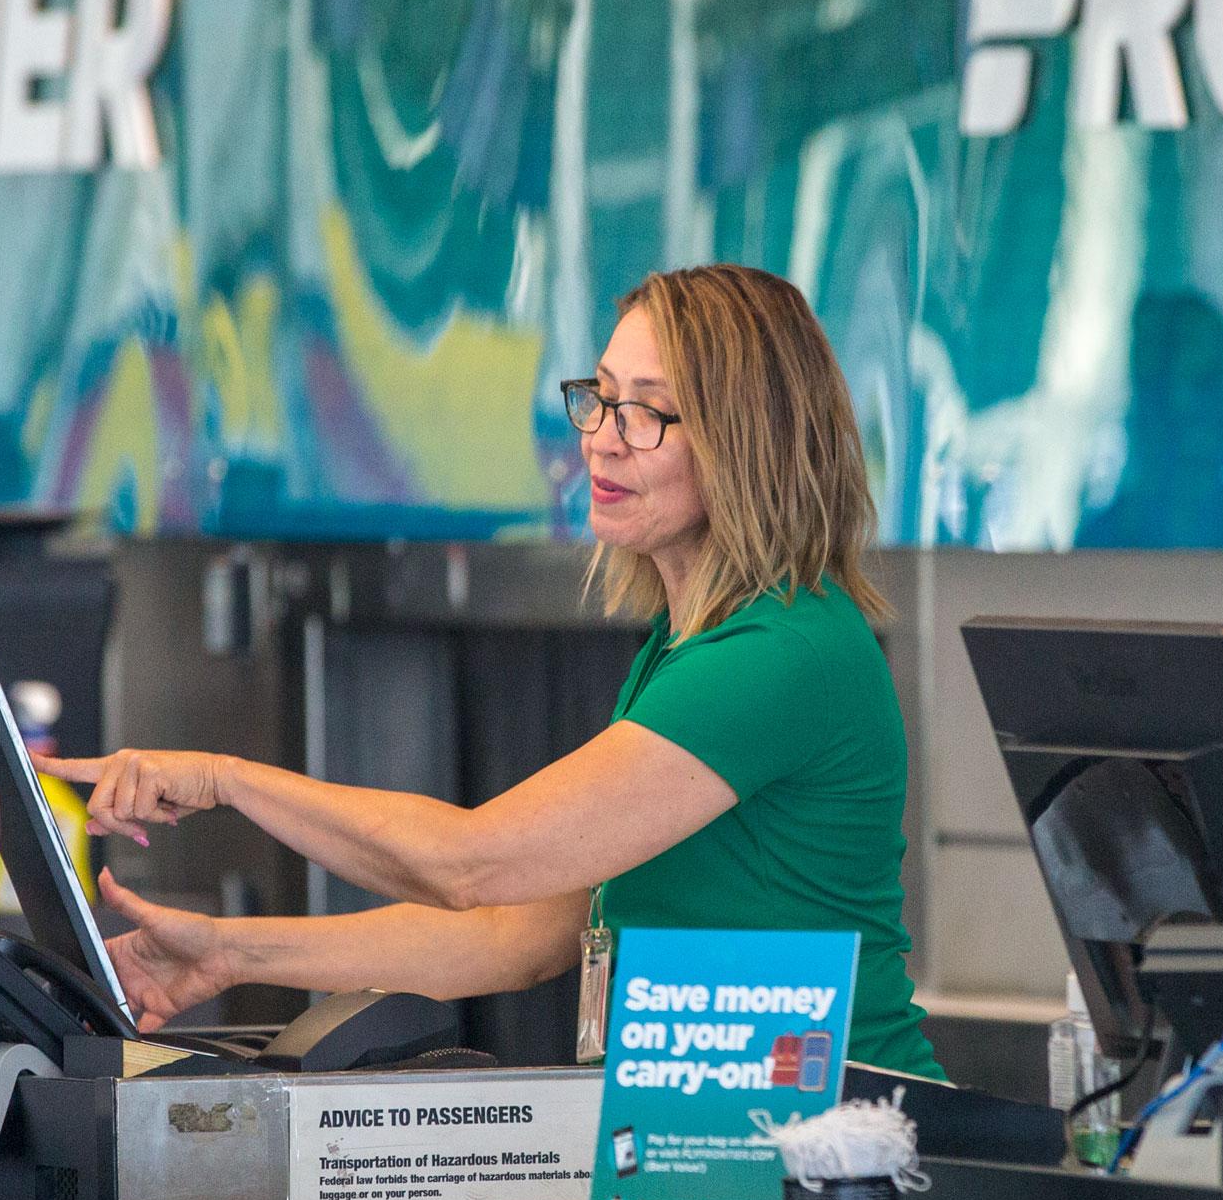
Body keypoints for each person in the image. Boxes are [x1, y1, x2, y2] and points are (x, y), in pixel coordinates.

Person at [51, 263, 940, 1080]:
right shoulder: (687, 649)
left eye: (646, 411)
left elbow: (468, 865)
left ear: (748, 443)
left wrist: (223, 777)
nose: (601, 438)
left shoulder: (776, 655)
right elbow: (529, 931)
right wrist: (228, 954)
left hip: (830, 1150)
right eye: (600, 397)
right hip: (712, 1151)